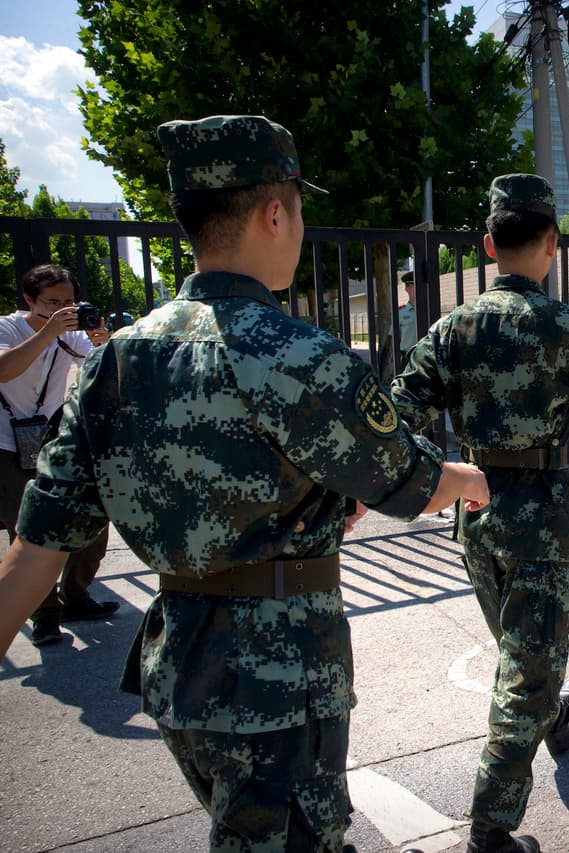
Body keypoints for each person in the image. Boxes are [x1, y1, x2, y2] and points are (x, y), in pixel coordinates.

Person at [0, 114, 490, 851]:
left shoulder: (113, 363)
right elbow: (411, 480)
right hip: (280, 681)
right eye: (298, 207)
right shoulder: (299, 353)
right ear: (273, 210)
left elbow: (37, 547)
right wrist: (470, 480)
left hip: (180, 672)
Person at [391, 174, 569, 853]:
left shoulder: (453, 327)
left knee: (522, 659)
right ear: (552, 243)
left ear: (487, 245)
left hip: (473, 508)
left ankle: (554, 713)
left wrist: (384, 489)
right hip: (539, 510)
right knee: (523, 672)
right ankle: (491, 830)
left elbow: (397, 417)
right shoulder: (566, 326)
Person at [0, 264, 114, 647]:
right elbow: (2, 370)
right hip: (6, 440)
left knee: (93, 521)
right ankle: (44, 615)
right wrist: (48, 331)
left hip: (54, 440)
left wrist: (102, 342)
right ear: (29, 300)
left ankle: (76, 596)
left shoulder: (75, 334)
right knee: (29, 529)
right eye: (52, 302)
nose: (63, 309)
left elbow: (101, 370)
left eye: (68, 302)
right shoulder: (7, 328)